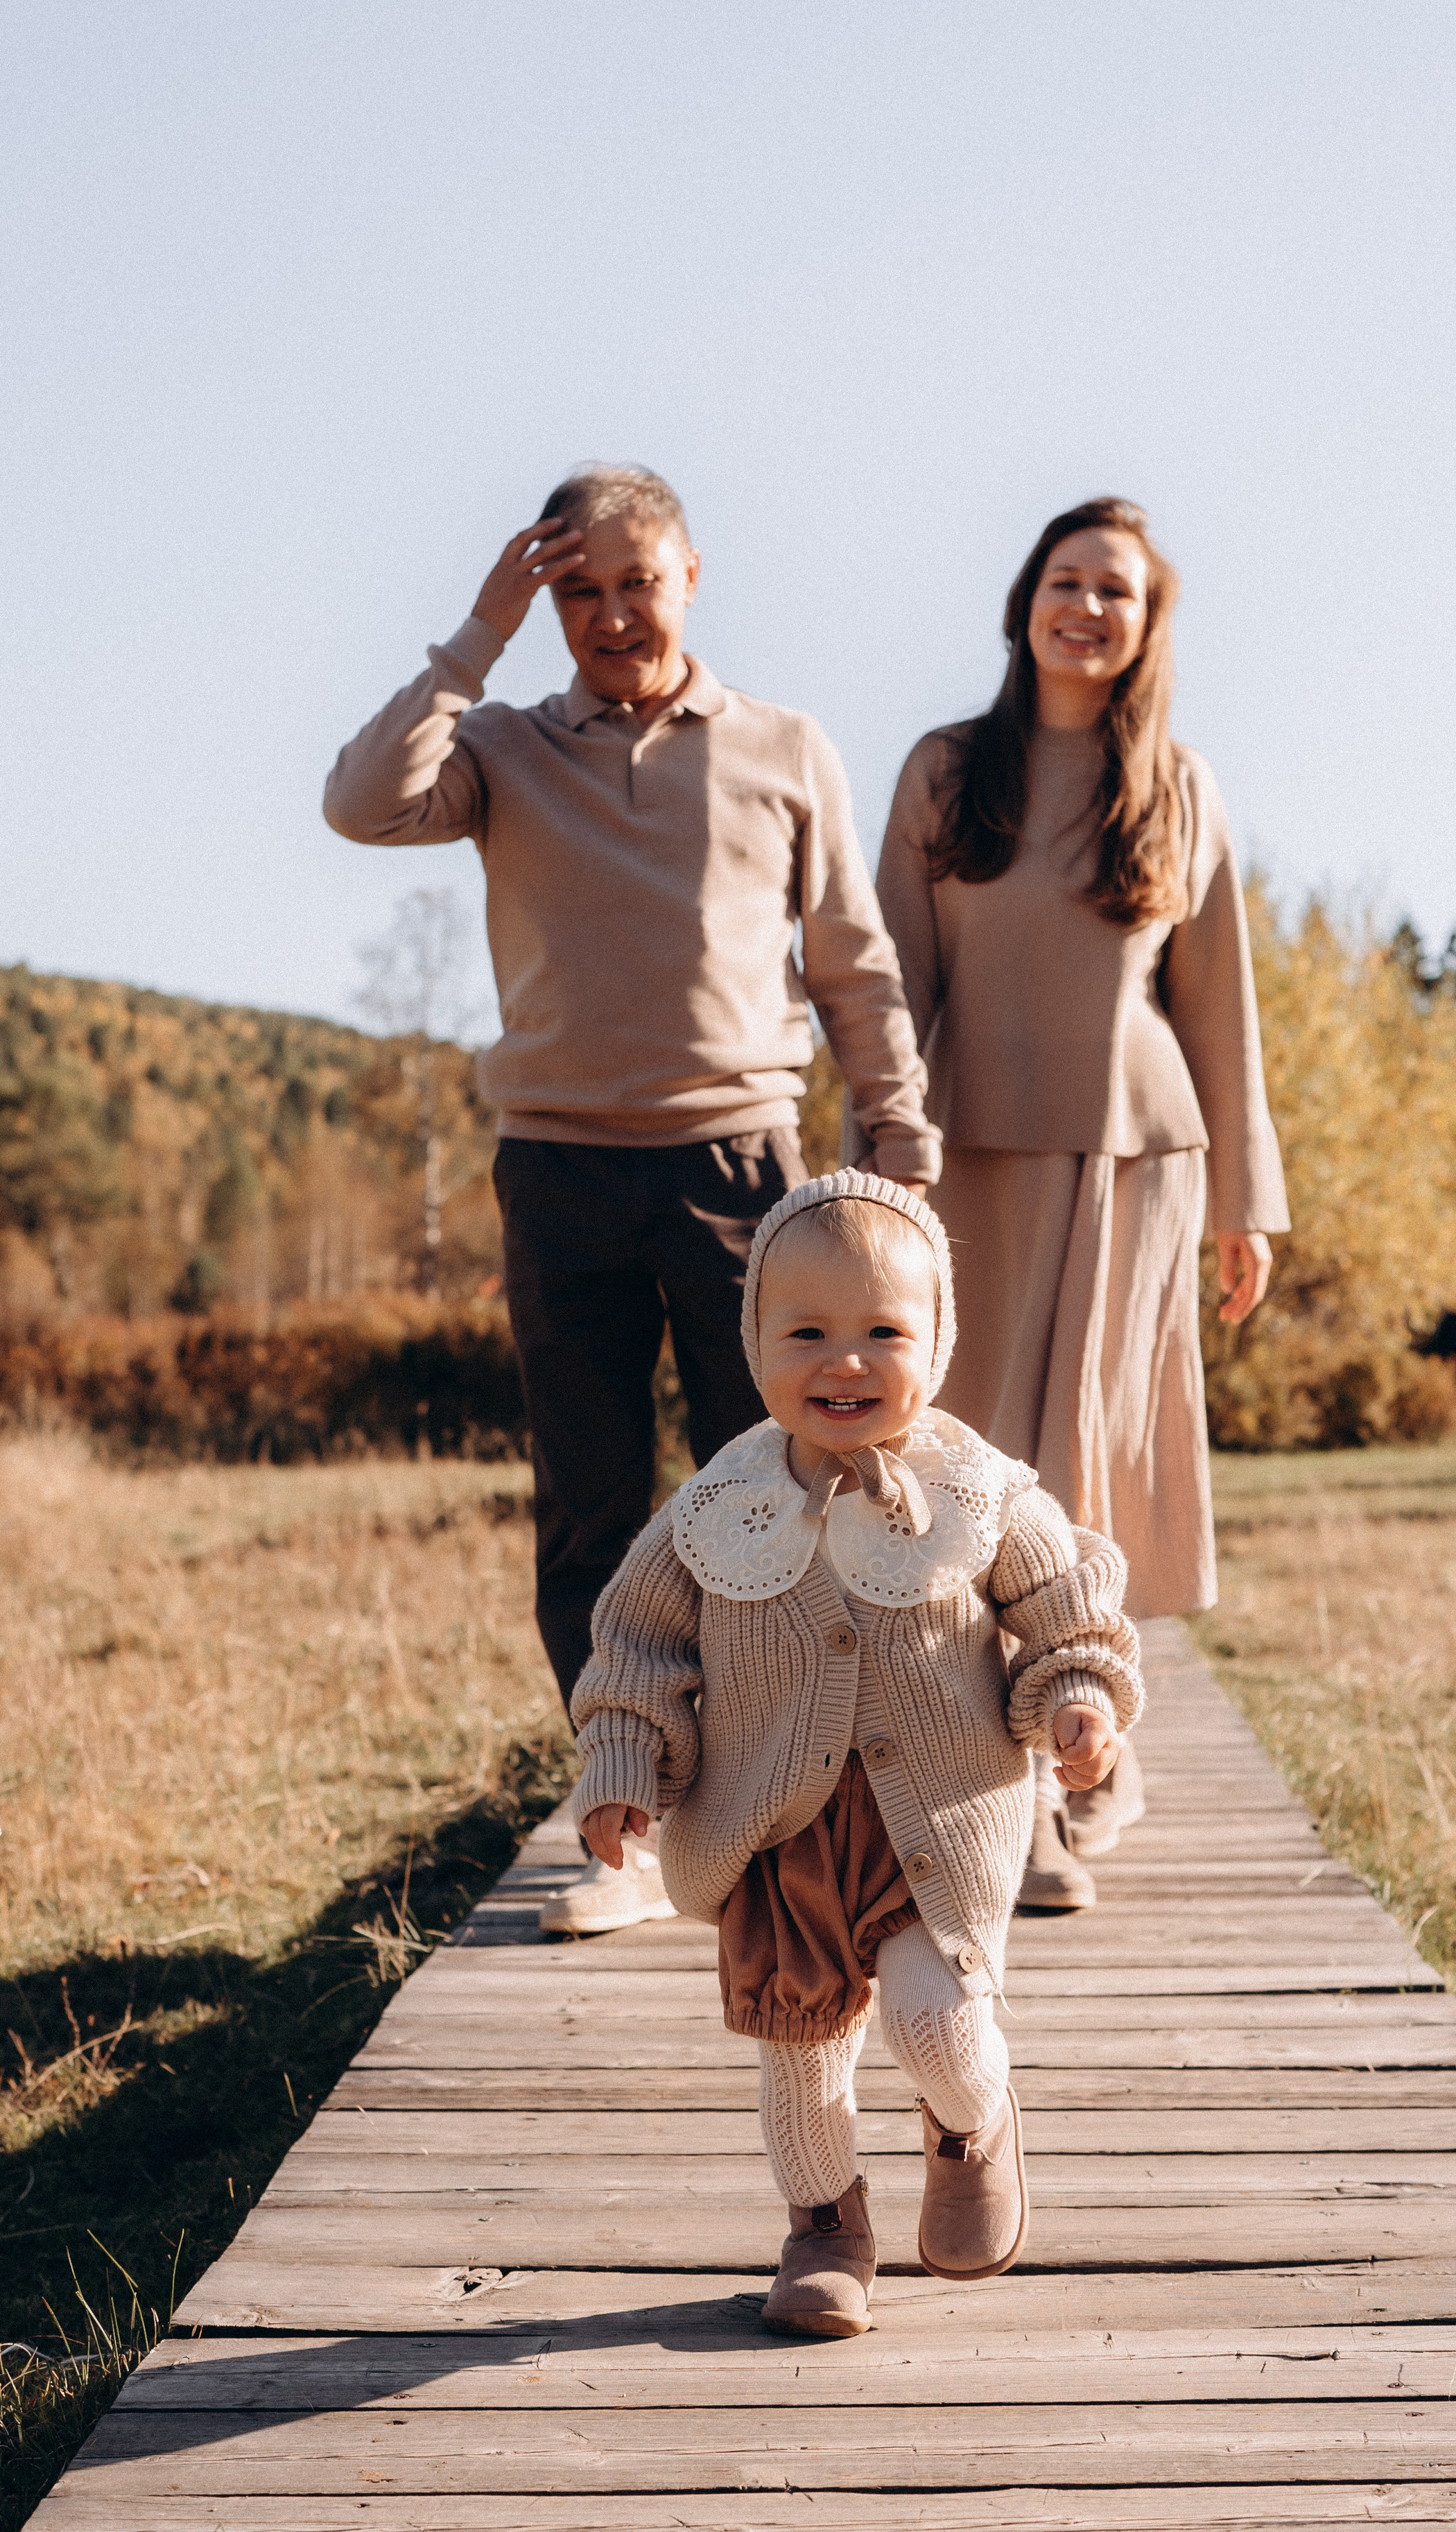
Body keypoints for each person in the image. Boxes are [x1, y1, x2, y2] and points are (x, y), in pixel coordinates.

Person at [324, 466, 940, 1936]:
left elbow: (849, 963)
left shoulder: (786, 749)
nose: (609, 613)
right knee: (591, 1511)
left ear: (690, 576)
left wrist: (900, 1137)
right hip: (557, 1170)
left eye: (635, 580)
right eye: (575, 589)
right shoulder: (499, 750)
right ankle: (623, 1828)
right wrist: (473, 633)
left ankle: (799, 1794)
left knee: (783, 1496)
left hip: (739, 1169)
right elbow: (360, 805)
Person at [568, 1169, 1143, 2337]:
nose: (846, 1360)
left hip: (938, 1818)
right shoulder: (713, 1510)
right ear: (752, 1342)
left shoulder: (977, 1490)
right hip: (778, 1839)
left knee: (938, 2023)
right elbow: (636, 1652)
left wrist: (1079, 1696)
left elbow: (1068, 1602)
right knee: (802, 2062)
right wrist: (623, 1772)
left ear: (938, 1341)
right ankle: (824, 2227)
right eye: (808, 1332)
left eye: (885, 1331)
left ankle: (973, 2123)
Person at [875, 496, 1288, 1911]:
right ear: (1024, 603)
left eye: (1116, 591)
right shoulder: (943, 773)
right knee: (977, 1483)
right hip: (965, 1155)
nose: (1086, 609)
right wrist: (881, 1153)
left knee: (1089, 1475)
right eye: (1066, 581)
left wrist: (1249, 1201)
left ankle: (1073, 1770)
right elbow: (889, 983)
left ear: (1145, 623)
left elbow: (1218, 1008)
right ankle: (1015, 1784)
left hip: (1137, 1167)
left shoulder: (1179, 787)